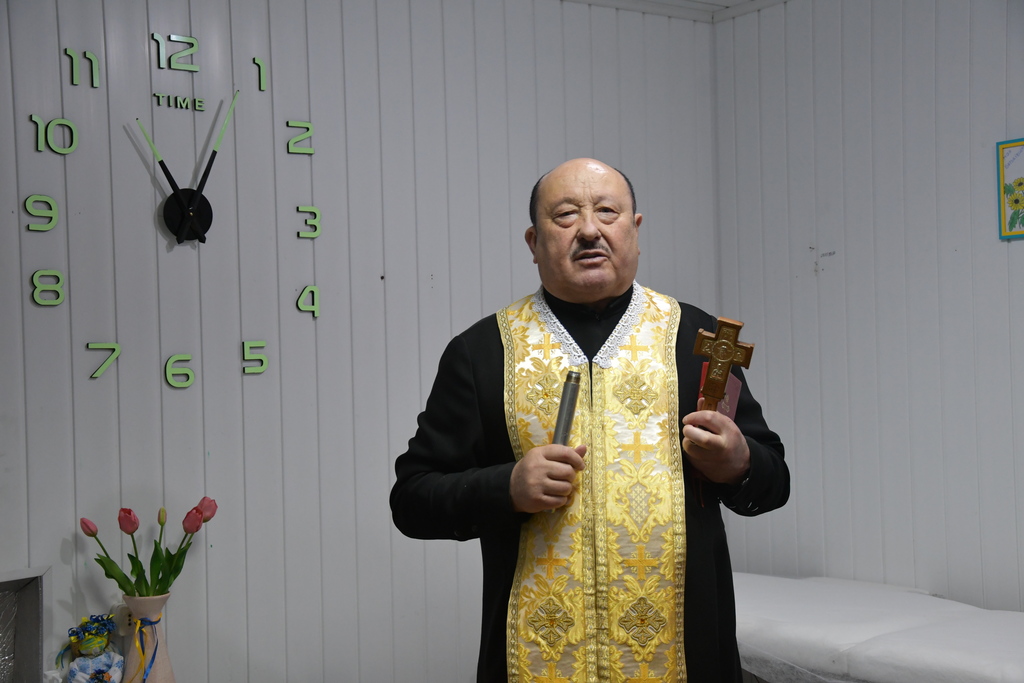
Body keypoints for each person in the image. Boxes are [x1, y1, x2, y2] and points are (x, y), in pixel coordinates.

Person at [390, 158, 789, 682]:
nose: (589, 230)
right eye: (565, 216)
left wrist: (739, 463)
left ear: (635, 230)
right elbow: (412, 500)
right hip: (534, 658)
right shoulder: (482, 351)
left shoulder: (697, 340)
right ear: (533, 242)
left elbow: (773, 483)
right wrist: (506, 487)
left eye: (607, 211)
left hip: (687, 657)